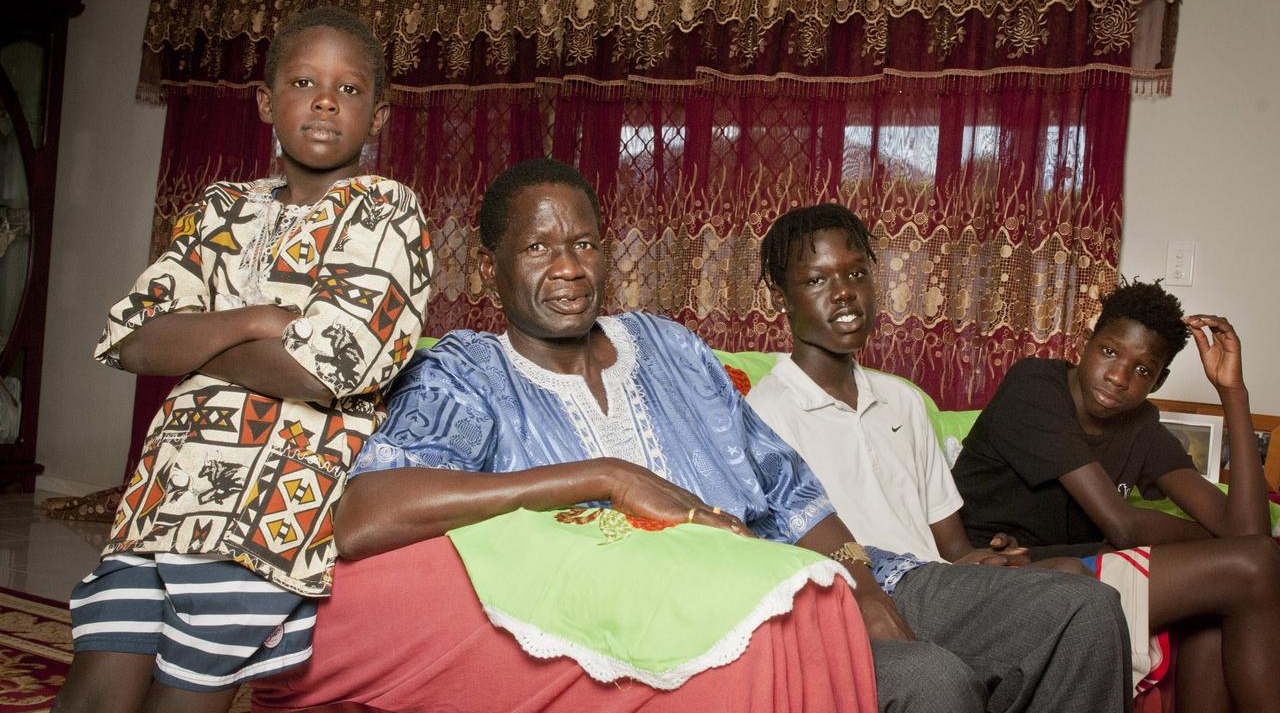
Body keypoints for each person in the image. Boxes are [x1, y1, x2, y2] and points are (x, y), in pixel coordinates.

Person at [253, 160, 1131, 713]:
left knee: (1080, 614)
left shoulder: (670, 347)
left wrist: (859, 583)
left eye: (586, 244)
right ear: (490, 268)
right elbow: (364, 512)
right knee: (930, 682)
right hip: (718, 621)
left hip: (821, 573)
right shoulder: (467, 375)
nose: (568, 267)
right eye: (539, 249)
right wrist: (596, 474)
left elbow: (785, 486)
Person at [55, 8, 431, 713]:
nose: (325, 101)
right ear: (266, 101)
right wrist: (261, 321)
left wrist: (195, 346)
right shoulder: (222, 209)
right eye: (302, 82)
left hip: (265, 509)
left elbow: (323, 371)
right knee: (91, 695)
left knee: (185, 699)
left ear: (377, 116)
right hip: (160, 499)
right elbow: (131, 339)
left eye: (348, 90)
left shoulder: (387, 214)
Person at [746, 203, 1121, 712]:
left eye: (856, 273)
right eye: (817, 280)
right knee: (1076, 611)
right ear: (780, 299)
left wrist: (986, 561)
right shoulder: (763, 414)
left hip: (931, 584)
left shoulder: (901, 400)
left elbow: (952, 546)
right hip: (854, 598)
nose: (844, 293)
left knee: (1085, 593)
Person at [952, 280, 1280, 712]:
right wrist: (1212, 540)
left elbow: (1249, 534)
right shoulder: (1034, 387)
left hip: (1074, 567)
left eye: (1142, 370)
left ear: (1158, 380)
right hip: (990, 577)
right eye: (1110, 351)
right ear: (1087, 343)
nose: (1119, 377)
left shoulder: (1140, 425)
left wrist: (1233, 395)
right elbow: (1122, 525)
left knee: (1221, 603)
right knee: (1247, 566)